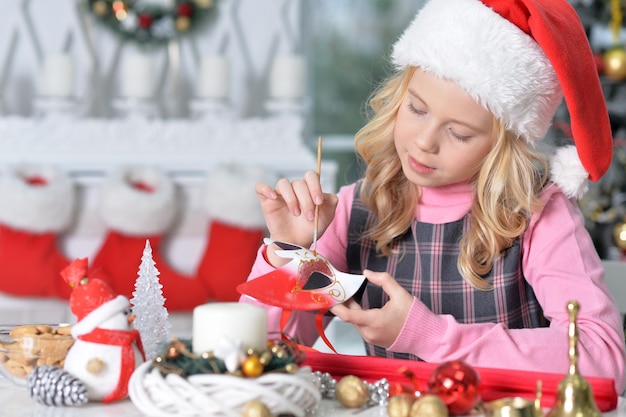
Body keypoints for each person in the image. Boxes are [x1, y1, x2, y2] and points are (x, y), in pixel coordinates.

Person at [240, 0, 626, 394]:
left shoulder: (539, 214)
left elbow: (602, 358)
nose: (424, 143)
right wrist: (290, 253)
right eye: (417, 109)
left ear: (502, 145)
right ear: (398, 96)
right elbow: (260, 353)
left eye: (458, 133)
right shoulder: (354, 210)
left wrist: (431, 336)